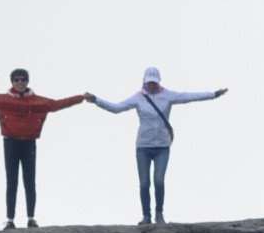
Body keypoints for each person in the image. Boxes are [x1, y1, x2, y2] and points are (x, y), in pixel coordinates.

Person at [85, 67, 227, 224]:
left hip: (162, 147)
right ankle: (146, 217)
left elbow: (189, 96)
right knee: (144, 183)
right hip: (143, 147)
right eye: (149, 83)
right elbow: (117, 108)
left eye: (154, 83)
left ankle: (159, 214)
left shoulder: (167, 95)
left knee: (159, 181)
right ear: (144, 81)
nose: (152, 86)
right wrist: (96, 100)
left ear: (158, 82)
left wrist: (213, 95)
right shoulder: (138, 97)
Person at [0, 69, 84, 229]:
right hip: (11, 143)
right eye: (17, 79)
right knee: (12, 181)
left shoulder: (39, 102)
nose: (20, 82)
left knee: (29, 181)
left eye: (23, 79)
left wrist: (81, 98)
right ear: (12, 82)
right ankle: (10, 220)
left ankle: (31, 219)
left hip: (29, 143)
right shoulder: (2, 100)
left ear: (27, 82)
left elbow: (60, 104)